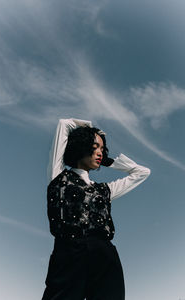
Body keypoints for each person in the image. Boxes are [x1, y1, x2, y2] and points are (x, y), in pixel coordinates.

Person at [42, 118, 151, 300]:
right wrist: (89, 128)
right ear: (81, 145)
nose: (100, 152)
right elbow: (65, 124)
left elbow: (142, 172)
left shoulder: (105, 190)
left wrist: (108, 161)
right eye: (95, 147)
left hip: (104, 253)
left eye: (102, 149)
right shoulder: (58, 175)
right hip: (68, 252)